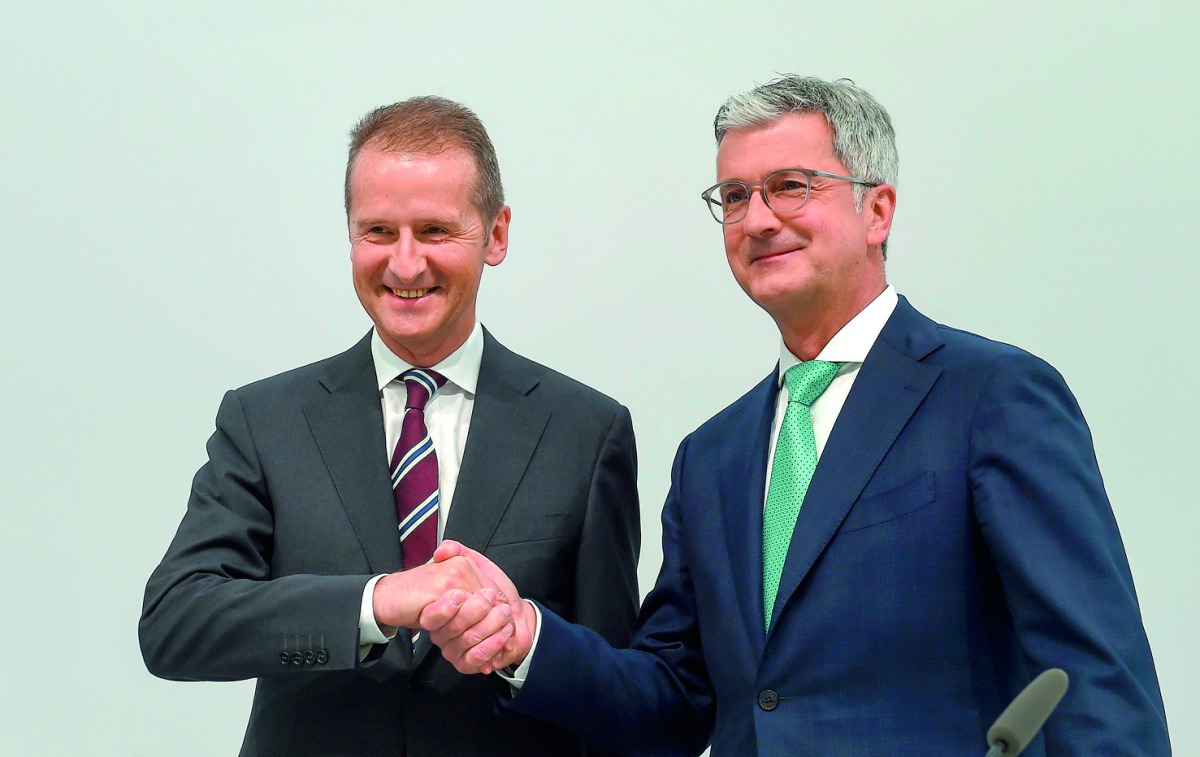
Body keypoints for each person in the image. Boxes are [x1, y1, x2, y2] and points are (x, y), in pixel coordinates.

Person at [421, 76, 1171, 755]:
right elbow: (675, 702)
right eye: (736, 196)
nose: (758, 218)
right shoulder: (711, 458)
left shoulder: (992, 396)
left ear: (876, 209)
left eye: (790, 186)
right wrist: (526, 638)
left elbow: (1091, 676)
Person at [139, 96, 641, 756]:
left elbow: (624, 695)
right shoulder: (265, 420)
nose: (405, 264)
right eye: (378, 232)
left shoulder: (586, 430)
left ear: (496, 234)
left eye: (434, 231)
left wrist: (522, 647)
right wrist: (380, 601)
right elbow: (176, 622)